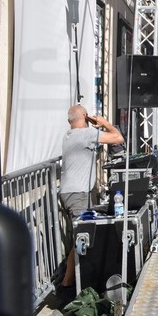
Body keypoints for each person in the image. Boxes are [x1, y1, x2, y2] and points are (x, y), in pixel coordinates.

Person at [59, 105, 124, 291]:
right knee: (83, 236)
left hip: (69, 192)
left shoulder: (68, 135)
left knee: (78, 237)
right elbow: (118, 138)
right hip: (78, 194)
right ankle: (77, 286)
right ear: (86, 117)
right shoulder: (85, 134)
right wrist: (104, 123)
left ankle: (68, 281)